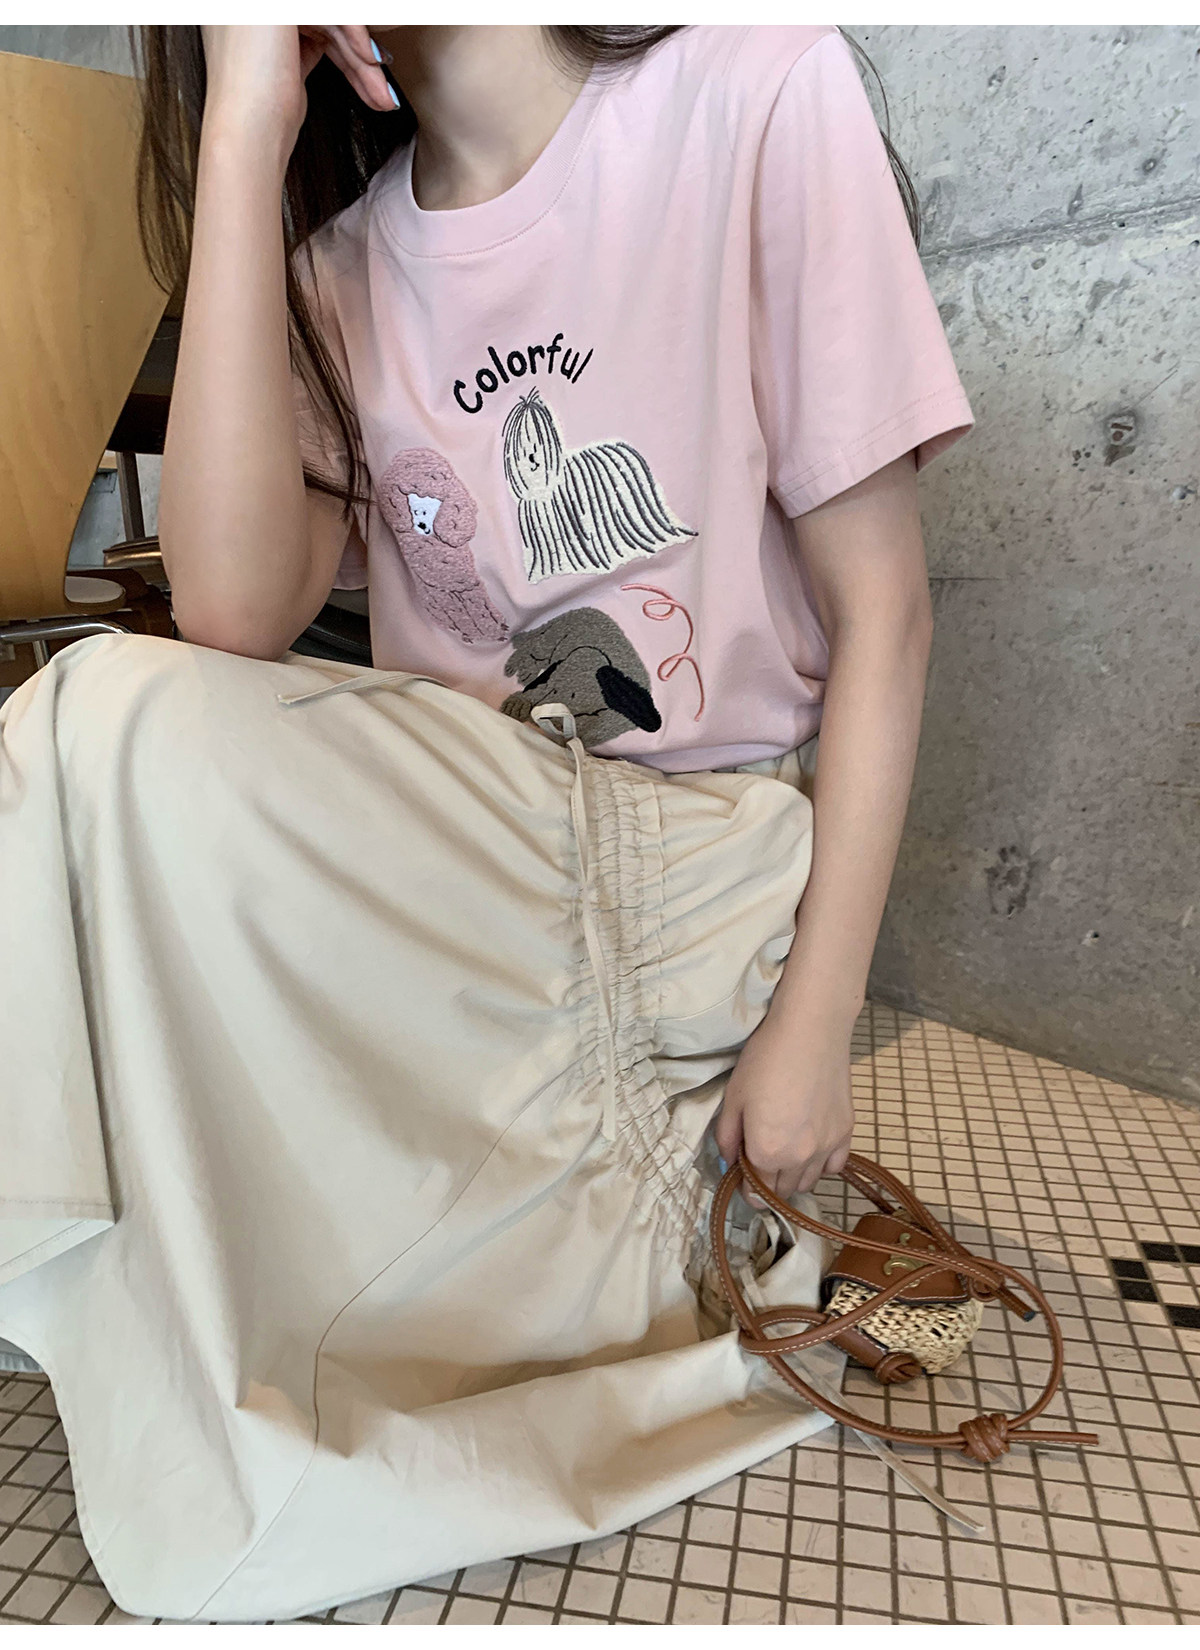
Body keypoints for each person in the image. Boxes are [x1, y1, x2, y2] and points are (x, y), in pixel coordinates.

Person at [0, 24, 973, 1621]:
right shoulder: (336, 271)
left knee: (102, 721)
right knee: (101, 720)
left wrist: (817, 1027)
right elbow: (229, 616)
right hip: (484, 881)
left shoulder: (754, 89)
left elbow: (888, 618)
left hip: (698, 869)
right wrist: (243, 130)